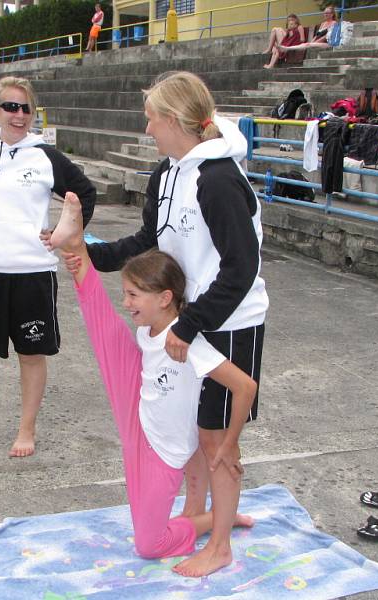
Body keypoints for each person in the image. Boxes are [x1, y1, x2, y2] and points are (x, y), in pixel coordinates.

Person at [72, 71, 269, 577]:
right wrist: (91, 257)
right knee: (194, 431)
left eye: (152, 118)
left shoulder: (221, 180)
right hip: (194, 319)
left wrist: (187, 326)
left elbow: (241, 269)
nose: (147, 128)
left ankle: (220, 544)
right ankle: (199, 515)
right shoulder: (168, 172)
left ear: (178, 120)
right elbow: (148, 240)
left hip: (229, 323)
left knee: (216, 441)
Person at [48, 193, 256, 568]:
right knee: (106, 334)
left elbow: (245, 387)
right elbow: (114, 328)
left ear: (164, 298)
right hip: (139, 423)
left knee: (149, 544)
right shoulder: (149, 330)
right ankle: (76, 246)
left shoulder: (188, 342)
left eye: (132, 295)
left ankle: (217, 521)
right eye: (125, 293)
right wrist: (82, 264)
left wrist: (229, 442)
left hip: (163, 452)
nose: (126, 303)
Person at [0, 76, 97, 457]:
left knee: (31, 354)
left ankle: (27, 429)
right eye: (11, 106)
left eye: (26, 108)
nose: (19, 114)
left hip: (32, 274)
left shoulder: (44, 157)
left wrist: (63, 232)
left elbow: (84, 194)